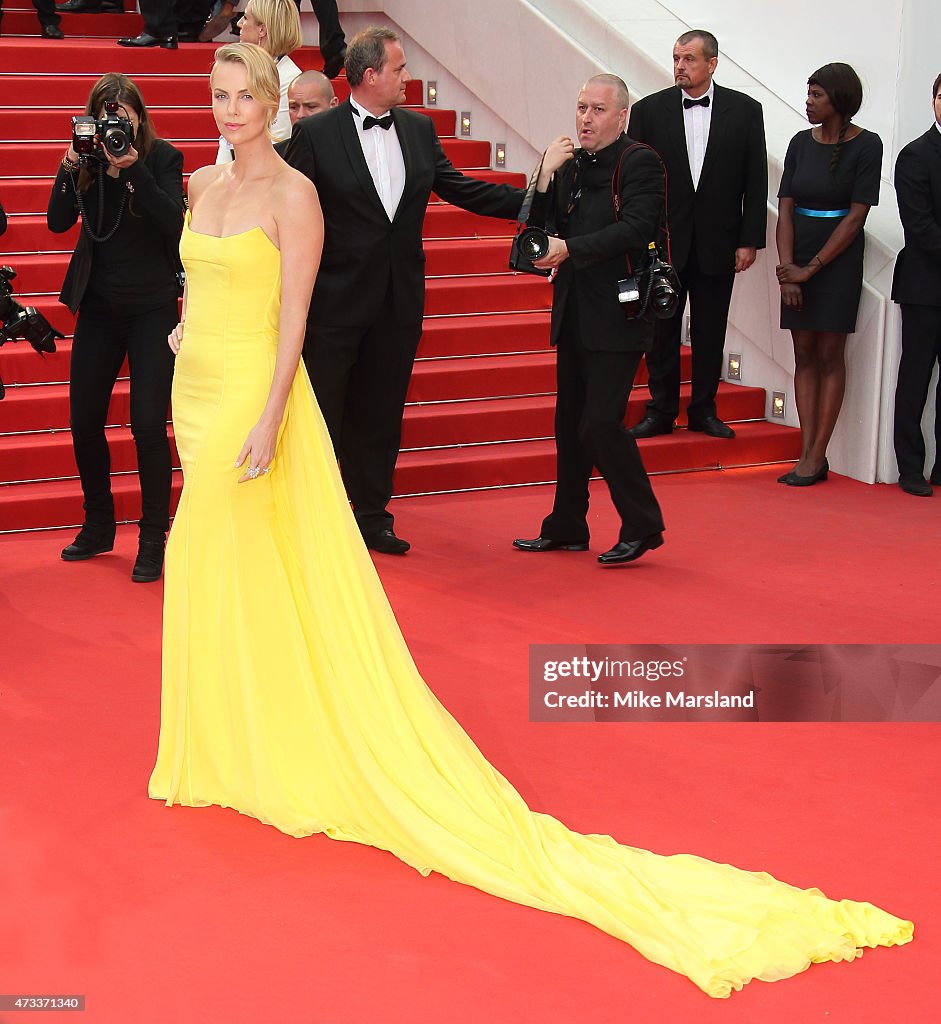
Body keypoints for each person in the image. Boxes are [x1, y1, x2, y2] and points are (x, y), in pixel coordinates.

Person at [153, 40, 912, 998]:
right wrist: (183, 337)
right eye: (214, 96)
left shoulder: (292, 196)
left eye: (240, 96)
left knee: (261, 565)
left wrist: (268, 418)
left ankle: (275, 737)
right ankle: (222, 737)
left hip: (255, 407)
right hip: (195, 391)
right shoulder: (197, 184)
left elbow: (292, 318)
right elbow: (201, 288)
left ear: (273, 101)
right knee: (210, 564)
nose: (226, 111)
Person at [285, 25, 525, 555]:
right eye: (399, 69)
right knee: (322, 414)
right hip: (334, 303)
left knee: (381, 413)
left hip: (397, 301)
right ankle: (315, 521)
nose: (407, 79)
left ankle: (372, 515)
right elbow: (288, 210)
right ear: (370, 75)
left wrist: (530, 203)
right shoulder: (317, 134)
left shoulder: (417, 130)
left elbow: (459, 188)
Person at [512, 75, 665, 566]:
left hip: (620, 314)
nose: (586, 119)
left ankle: (642, 523)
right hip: (575, 310)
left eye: (598, 110)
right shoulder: (573, 167)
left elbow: (636, 228)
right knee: (568, 424)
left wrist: (570, 249)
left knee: (600, 423)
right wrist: (544, 176)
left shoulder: (640, 162)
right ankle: (567, 524)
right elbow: (541, 230)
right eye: (581, 108)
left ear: (622, 116)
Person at [47, 74, 184, 581]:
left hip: (152, 309)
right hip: (100, 309)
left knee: (148, 425)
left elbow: (175, 221)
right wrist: (70, 165)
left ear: (139, 118)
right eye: (104, 115)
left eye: (121, 115)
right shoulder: (84, 161)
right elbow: (57, 222)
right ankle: (99, 523)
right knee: (84, 420)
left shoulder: (162, 159)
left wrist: (132, 170)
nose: (112, 126)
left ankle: (153, 538)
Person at [627, 29, 767, 441]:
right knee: (662, 332)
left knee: (711, 331)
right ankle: (661, 410)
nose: (680, 67)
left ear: (712, 63)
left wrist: (749, 239)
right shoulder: (649, 110)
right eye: (675, 59)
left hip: (719, 242)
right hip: (664, 242)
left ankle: (704, 410)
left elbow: (754, 180)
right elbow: (636, 180)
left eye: (688, 59)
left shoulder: (745, 111)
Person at [775, 63, 882, 486]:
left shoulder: (867, 145)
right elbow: (784, 208)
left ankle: (818, 455)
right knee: (803, 353)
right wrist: (788, 275)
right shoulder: (800, 142)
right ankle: (807, 451)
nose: (808, 101)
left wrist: (810, 270)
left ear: (838, 100)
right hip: (796, 256)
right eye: (808, 93)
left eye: (816, 95)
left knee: (829, 354)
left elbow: (856, 218)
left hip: (836, 260)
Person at [891, 72, 941, 497]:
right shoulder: (915, 155)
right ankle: (910, 467)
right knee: (916, 376)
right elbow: (920, 226)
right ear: (934, 100)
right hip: (925, 286)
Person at [216, 0, 303, 160]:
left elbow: (278, 141)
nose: (240, 24)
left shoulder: (290, 80)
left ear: (262, 29)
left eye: (246, 18)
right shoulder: (244, 71)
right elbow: (227, 137)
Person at [274, 71, 337, 156]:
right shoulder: (275, 156)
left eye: (311, 107)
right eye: (293, 107)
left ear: (333, 105)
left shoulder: (354, 150)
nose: (300, 115)